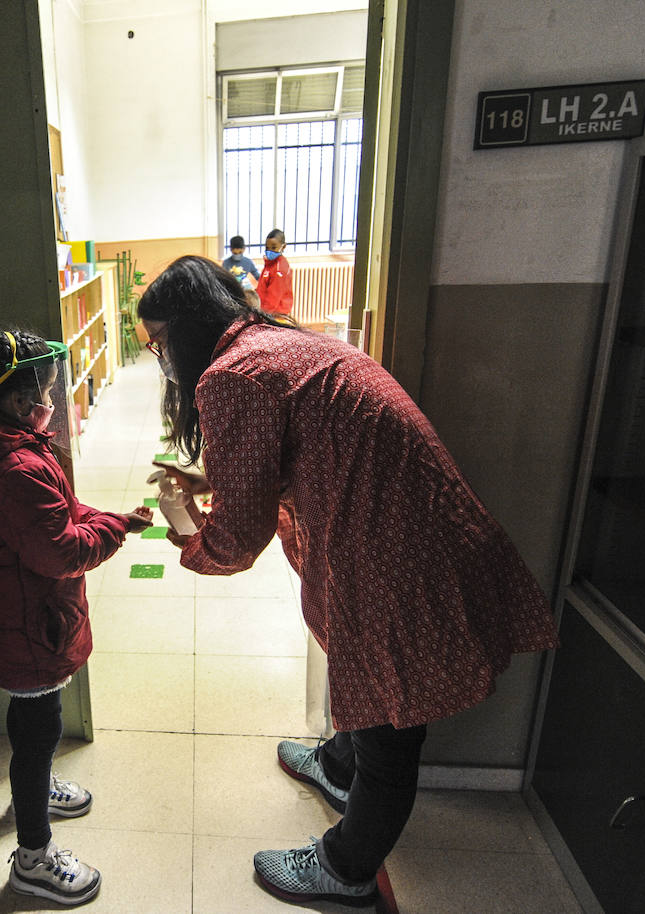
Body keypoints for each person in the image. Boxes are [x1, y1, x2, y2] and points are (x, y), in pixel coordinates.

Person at [137, 256, 559, 907]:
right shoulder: (277, 342)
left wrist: (188, 534)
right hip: (410, 525)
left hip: (392, 550)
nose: (162, 358)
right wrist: (209, 479)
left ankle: (346, 867)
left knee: (392, 711)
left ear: (187, 330)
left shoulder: (230, 376)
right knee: (374, 686)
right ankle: (339, 766)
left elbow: (237, 540)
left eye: (160, 341)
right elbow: (279, 451)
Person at [0, 328, 153, 906]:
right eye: (44, 392)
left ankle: (37, 787)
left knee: (34, 725)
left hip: (16, 613)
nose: (51, 401)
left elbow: (58, 514)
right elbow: (62, 550)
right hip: (29, 624)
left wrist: (110, 516)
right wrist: (118, 530)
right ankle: (33, 857)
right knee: (39, 730)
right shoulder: (15, 467)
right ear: (14, 399)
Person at [256, 228, 294, 316]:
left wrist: (263, 315)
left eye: (273, 247)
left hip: (275, 313)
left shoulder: (280, 269)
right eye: (267, 247)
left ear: (283, 247)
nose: (269, 251)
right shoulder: (270, 263)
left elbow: (273, 297)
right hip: (265, 310)